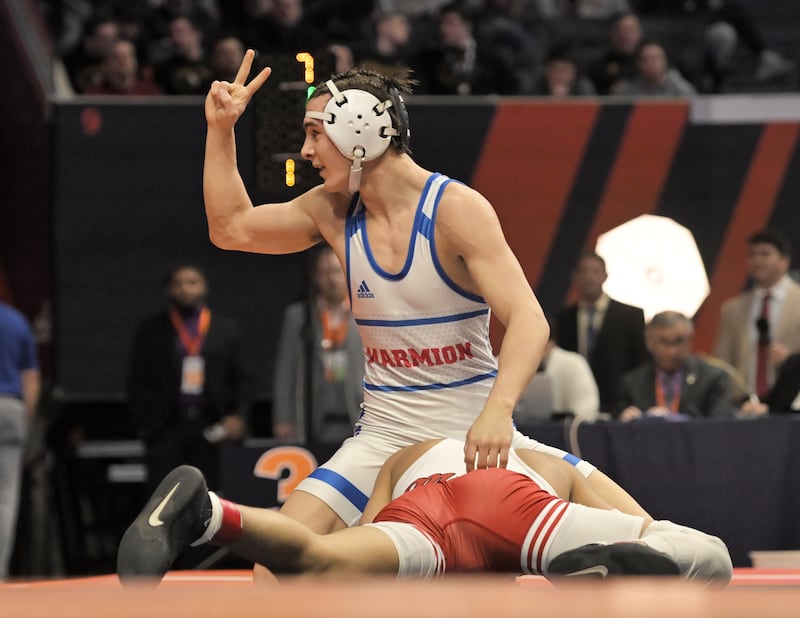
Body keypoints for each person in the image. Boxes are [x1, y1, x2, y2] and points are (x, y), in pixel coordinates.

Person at [202, 51, 687, 587]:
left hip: (474, 433)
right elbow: (232, 229)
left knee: (663, 549)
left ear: (358, 131)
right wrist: (220, 131)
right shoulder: (331, 210)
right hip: (384, 436)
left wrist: (498, 413)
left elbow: (529, 320)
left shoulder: (455, 210)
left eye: (315, 134)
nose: (306, 151)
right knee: (274, 574)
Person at [117, 438, 733, 584]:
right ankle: (585, 574)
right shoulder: (546, 456)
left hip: (427, 509)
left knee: (324, 558)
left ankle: (208, 515)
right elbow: (644, 522)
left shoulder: (405, 452)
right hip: (516, 508)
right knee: (708, 556)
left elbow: (369, 529)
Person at [127, 262, 250, 492]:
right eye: (178, 283)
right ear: (168, 290)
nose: (185, 289)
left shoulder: (225, 328)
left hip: (212, 424)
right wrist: (145, 423)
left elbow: (241, 379)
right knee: (163, 494)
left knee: (209, 494)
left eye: (192, 282)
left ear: (204, 286)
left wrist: (238, 416)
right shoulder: (151, 329)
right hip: (166, 425)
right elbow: (137, 380)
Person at [272, 244, 364, 443]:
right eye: (325, 273)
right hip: (314, 416)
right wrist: (283, 417)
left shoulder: (364, 313)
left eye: (337, 271)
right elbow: (286, 369)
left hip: (356, 411)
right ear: (314, 276)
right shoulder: (299, 317)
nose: (331, 279)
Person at [555, 251, 649, 414]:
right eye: (583, 271)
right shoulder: (563, 319)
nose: (589, 277)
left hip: (619, 404)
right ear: (574, 277)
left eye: (595, 271)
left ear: (605, 276)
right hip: (575, 405)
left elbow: (641, 363)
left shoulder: (630, 316)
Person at [713, 229, 800, 400]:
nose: (757, 261)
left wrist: (791, 360)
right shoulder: (733, 309)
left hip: (792, 404)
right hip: (744, 404)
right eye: (752, 255)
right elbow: (722, 361)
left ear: (784, 261)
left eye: (765, 254)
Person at [616, 311, 734, 421]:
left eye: (679, 341)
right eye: (664, 342)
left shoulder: (713, 378)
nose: (672, 351)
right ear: (649, 342)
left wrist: (671, 418)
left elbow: (719, 425)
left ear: (690, 340)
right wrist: (629, 421)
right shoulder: (632, 383)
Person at [0, 301, 40, 581]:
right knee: (4, 497)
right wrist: (25, 420)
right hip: (10, 409)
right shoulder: (16, 321)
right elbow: (31, 378)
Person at [516, 330, 600, 422]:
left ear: (549, 343)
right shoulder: (521, 364)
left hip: (570, 425)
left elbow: (588, 409)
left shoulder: (573, 363)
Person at [616, 39, 697, 96]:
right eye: (646, 59)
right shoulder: (629, 90)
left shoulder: (681, 89)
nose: (651, 63)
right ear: (638, 63)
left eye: (655, 58)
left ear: (665, 61)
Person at [84, 39, 162, 96]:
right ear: (106, 63)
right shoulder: (95, 94)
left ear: (135, 62)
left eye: (126, 57)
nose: (122, 62)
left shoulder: (149, 92)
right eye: (116, 58)